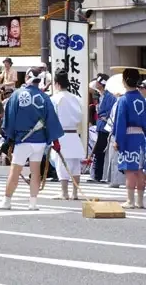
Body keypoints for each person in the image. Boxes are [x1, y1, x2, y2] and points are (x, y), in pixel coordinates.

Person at [0, 69, 64, 211]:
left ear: (27, 77)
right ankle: (33, 203)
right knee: (35, 170)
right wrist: (55, 141)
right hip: (39, 141)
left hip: (23, 139)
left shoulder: (17, 94)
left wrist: (9, 138)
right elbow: (52, 120)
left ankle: (7, 200)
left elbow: (10, 117)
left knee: (15, 170)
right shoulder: (44, 97)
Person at [113, 68, 146, 208]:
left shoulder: (124, 99)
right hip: (141, 137)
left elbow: (120, 122)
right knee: (140, 170)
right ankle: (140, 201)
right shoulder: (142, 99)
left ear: (125, 81)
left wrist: (117, 140)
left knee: (130, 170)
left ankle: (130, 200)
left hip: (128, 136)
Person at [50, 69, 84, 201]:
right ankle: (74, 192)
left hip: (61, 134)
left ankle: (64, 192)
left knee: (61, 164)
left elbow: (50, 118)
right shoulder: (76, 98)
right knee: (75, 164)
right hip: (74, 133)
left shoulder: (54, 99)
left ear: (56, 83)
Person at [91, 73, 116, 182]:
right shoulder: (100, 95)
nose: (96, 83)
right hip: (100, 125)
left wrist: (107, 118)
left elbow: (112, 111)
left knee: (100, 150)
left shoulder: (110, 96)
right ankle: (97, 174)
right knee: (98, 151)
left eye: (98, 81)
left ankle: (99, 175)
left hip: (105, 126)